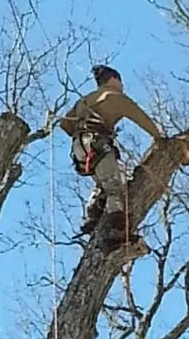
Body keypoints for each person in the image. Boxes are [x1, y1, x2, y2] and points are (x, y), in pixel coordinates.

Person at [60, 64, 164, 251]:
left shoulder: (84, 100)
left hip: (80, 147)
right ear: (114, 79)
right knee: (115, 187)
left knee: (103, 185)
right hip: (98, 143)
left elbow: (65, 124)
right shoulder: (115, 97)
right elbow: (141, 118)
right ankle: (117, 232)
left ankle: (93, 215)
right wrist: (159, 137)